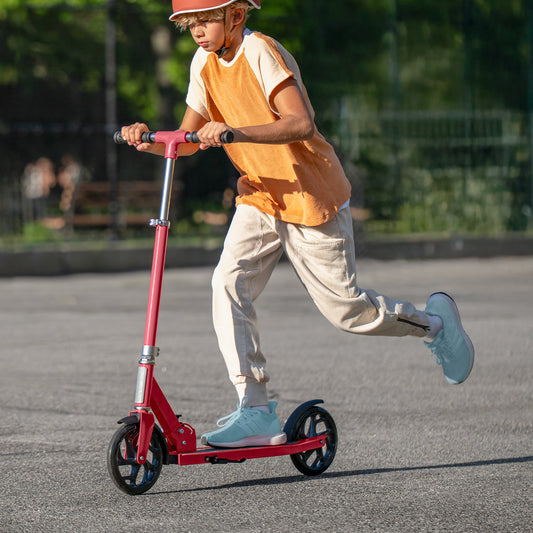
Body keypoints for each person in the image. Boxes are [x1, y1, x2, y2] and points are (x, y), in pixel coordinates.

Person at [121, 0, 475, 449]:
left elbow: (301, 123)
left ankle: (436, 326)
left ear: (236, 16)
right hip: (261, 195)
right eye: (189, 23)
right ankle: (254, 408)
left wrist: (234, 131)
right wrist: (147, 139)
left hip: (310, 195)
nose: (196, 31)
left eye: (205, 19)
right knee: (227, 283)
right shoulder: (202, 63)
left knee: (346, 311)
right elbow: (187, 142)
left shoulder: (262, 52)